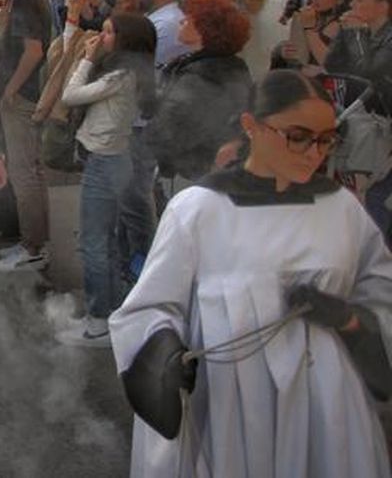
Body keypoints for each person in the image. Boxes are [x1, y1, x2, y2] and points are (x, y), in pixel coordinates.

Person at [109, 71, 392, 478]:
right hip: (229, 409)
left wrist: (347, 318)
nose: (316, 153)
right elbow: (150, 306)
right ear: (252, 127)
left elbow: (381, 296)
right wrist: (164, 351)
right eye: (299, 136)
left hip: (328, 408)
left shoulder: (341, 209)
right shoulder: (199, 209)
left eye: (328, 139)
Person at [56, 14, 157, 348]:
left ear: (125, 39)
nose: (103, 37)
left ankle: (99, 322)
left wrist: (85, 58)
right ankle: (107, 315)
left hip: (105, 162)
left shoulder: (120, 76)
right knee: (107, 241)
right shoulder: (133, 73)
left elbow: (70, 95)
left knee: (94, 243)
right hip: (113, 160)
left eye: (110, 32)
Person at [0, 0, 55, 273]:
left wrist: (11, 91)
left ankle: (33, 246)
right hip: (25, 94)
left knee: (23, 173)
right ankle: (36, 241)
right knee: (33, 171)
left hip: (21, 96)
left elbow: (33, 50)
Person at [146, 0, 254, 187]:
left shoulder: (198, 77)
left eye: (187, 21)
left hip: (192, 171)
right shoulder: (231, 66)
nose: (181, 23)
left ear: (204, 30)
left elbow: (166, 130)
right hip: (213, 168)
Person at [278, 0, 352, 74]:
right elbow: (300, 55)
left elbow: (330, 63)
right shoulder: (311, 16)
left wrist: (309, 29)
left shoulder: (345, 23)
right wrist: (287, 52)